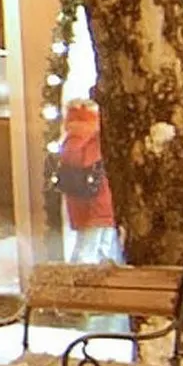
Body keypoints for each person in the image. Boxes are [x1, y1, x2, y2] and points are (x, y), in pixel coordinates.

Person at [50, 99, 110, 261]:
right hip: (99, 199)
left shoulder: (71, 138)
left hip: (82, 200)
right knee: (94, 247)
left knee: (88, 244)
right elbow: (92, 161)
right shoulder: (95, 138)